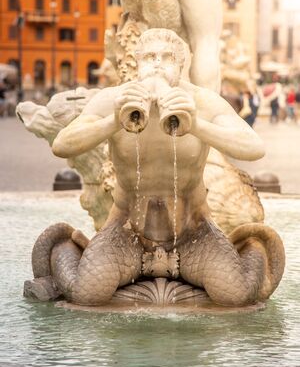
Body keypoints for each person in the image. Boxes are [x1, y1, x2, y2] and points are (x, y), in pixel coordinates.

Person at [52, 29, 266, 306]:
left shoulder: (201, 102)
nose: (156, 64)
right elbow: (62, 144)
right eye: (149, 57)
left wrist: (197, 125)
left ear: (180, 65)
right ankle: (65, 246)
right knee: (87, 294)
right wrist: (114, 121)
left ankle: (253, 248)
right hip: (128, 229)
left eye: (166, 58)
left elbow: (254, 147)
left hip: (192, 231)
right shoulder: (113, 99)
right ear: (137, 63)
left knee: (234, 295)